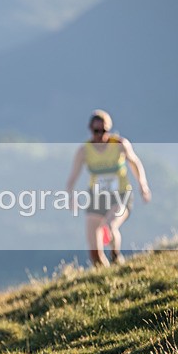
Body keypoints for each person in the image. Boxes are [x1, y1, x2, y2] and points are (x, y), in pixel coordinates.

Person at [66, 110, 151, 267]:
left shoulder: (119, 144)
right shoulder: (84, 151)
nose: (100, 135)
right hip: (97, 198)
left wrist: (143, 185)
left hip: (121, 195)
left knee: (109, 226)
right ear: (90, 129)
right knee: (93, 248)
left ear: (109, 129)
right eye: (96, 131)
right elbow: (72, 177)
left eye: (103, 131)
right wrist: (70, 196)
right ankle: (103, 274)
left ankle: (115, 257)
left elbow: (135, 163)